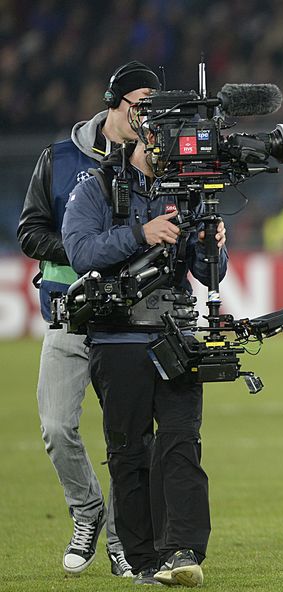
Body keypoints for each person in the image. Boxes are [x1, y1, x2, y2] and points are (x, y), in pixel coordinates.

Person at [62, 118, 228, 585]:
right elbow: (79, 252)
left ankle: (183, 551)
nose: (171, 154)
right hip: (117, 338)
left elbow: (211, 274)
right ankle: (142, 559)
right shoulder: (96, 187)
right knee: (129, 453)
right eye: (164, 143)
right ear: (144, 139)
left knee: (181, 442)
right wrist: (141, 234)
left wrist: (214, 248)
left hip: (175, 335)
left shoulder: (192, 191)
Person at [16, 60, 161, 578]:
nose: (149, 116)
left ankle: (123, 539)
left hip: (132, 317)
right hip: (71, 312)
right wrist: (86, 250)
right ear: (113, 102)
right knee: (57, 427)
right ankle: (87, 510)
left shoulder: (158, 159)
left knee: (128, 436)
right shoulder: (58, 158)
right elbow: (30, 232)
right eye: (141, 104)